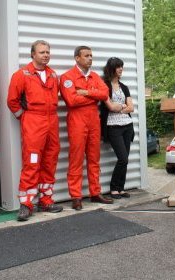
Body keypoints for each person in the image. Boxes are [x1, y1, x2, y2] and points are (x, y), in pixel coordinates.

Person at [7, 40, 63, 221]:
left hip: (52, 120)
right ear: (33, 54)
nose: (45, 55)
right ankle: (26, 204)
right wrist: (24, 117)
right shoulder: (21, 75)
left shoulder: (54, 75)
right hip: (33, 121)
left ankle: (46, 200)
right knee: (32, 162)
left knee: (50, 159)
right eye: (42, 52)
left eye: (47, 52)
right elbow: (12, 101)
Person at [60, 46, 114, 210]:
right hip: (77, 119)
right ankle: (76, 196)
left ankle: (95, 193)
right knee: (76, 158)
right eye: (86, 56)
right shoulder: (67, 77)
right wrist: (93, 95)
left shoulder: (94, 76)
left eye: (91, 55)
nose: (90, 58)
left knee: (94, 158)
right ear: (77, 58)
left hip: (93, 119)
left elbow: (105, 94)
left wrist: (85, 92)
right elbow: (72, 101)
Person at [100, 57, 134, 199]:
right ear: (111, 69)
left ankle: (120, 188)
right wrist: (122, 107)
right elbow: (110, 106)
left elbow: (131, 107)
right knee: (123, 158)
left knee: (125, 158)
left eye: (121, 66)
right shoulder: (104, 86)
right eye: (118, 66)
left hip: (127, 126)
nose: (120, 69)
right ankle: (114, 188)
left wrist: (119, 107)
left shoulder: (124, 87)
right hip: (113, 127)